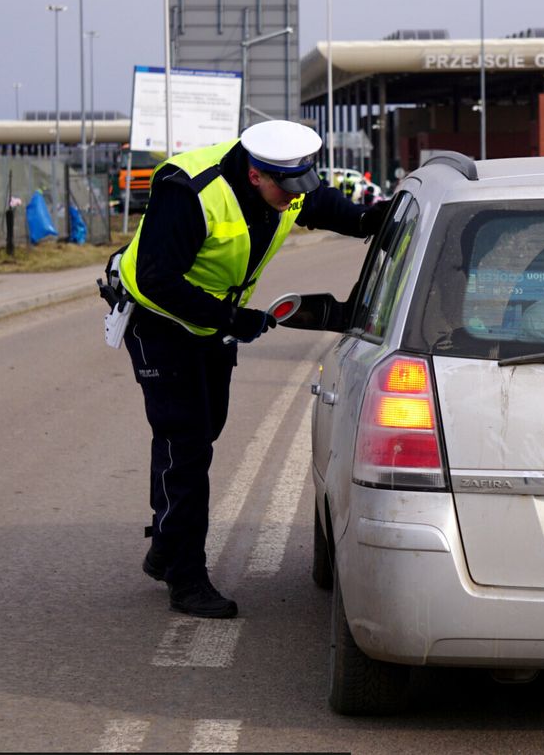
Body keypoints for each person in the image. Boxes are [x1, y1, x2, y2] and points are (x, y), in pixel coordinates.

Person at [116, 120, 388, 618]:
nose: (293, 199)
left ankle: (165, 543)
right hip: (160, 322)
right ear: (255, 175)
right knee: (188, 443)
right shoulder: (191, 191)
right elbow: (157, 280)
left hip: (210, 324)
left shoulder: (285, 182)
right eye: (285, 190)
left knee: (200, 433)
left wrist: (372, 221)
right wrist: (232, 319)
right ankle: (185, 575)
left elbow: (321, 203)